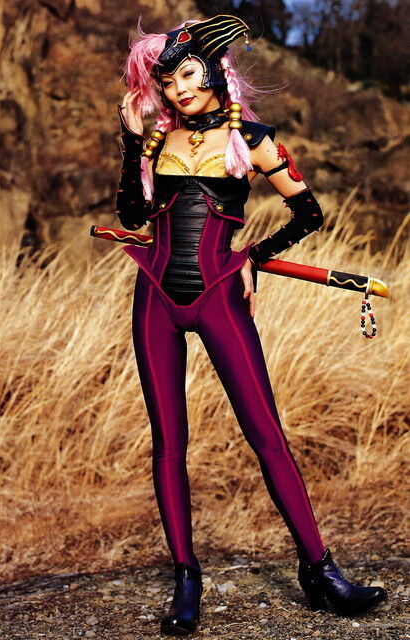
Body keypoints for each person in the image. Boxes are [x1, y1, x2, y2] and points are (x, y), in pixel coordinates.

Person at [114, 14, 387, 636]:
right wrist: (130, 143)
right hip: (154, 296)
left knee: (266, 433)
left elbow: (308, 212)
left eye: (188, 74)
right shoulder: (155, 142)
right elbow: (131, 215)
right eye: (168, 81)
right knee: (169, 443)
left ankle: (320, 570)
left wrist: (253, 258)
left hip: (219, 298)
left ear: (213, 71)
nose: (179, 89)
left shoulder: (252, 139)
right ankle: (186, 577)